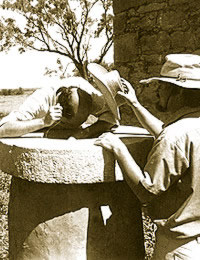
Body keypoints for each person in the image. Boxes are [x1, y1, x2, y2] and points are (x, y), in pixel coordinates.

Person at [94, 54, 200, 259]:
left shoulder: (176, 136)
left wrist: (118, 149)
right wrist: (134, 103)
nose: (158, 90)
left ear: (177, 91)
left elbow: (147, 190)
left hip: (179, 247)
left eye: (163, 85)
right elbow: (167, 135)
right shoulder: (189, 127)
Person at [0, 76, 125, 139]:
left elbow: (111, 119)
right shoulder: (40, 100)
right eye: (71, 124)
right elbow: (3, 129)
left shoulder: (88, 94)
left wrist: (82, 133)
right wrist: (43, 122)